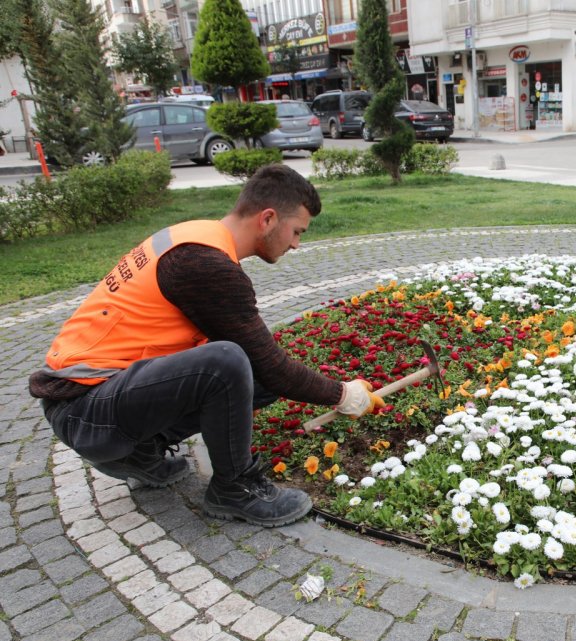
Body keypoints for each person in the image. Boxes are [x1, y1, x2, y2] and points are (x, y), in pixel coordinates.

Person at [29, 165, 384, 527]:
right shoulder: (205, 264)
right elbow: (270, 364)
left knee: (251, 371)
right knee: (228, 360)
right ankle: (235, 487)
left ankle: (139, 451)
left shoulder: (195, 235)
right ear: (267, 219)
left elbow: (263, 367)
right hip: (84, 408)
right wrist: (343, 395)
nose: (296, 244)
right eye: (296, 232)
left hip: (98, 397)